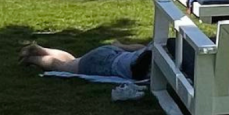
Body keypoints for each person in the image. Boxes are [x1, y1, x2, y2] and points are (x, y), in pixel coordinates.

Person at [20, 39, 151, 78]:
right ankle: (32, 59)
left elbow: (140, 47)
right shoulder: (147, 66)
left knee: (73, 61)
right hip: (104, 65)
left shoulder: (157, 46)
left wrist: (120, 45)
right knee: (62, 67)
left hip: (112, 52)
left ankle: (41, 49)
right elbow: (139, 70)